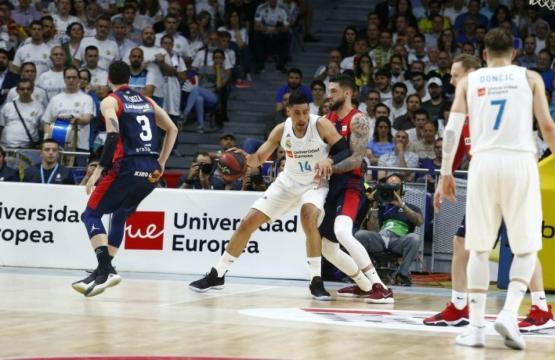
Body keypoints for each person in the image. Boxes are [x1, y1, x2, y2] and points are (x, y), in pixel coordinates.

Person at [439, 28, 555, 350]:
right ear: (513, 53)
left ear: (484, 55)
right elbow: (547, 124)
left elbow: (453, 130)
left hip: (482, 163)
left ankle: (476, 328)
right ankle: (510, 313)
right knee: (526, 248)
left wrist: (445, 173)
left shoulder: (471, 82)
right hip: (520, 163)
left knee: (479, 248)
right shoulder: (530, 77)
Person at [188, 91, 348, 300]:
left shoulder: (320, 125)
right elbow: (259, 158)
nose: (301, 118)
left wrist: (330, 160)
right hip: (287, 183)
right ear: (288, 111)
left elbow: (344, 149)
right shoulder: (281, 130)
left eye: (305, 113)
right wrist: (247, 159)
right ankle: (217, 273)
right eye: (297, 113)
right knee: (247, 223)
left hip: (314, 184)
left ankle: (316, 281)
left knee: (308, 217)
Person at [71, 60, 178, 297]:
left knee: (90, 214)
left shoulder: (110, 101)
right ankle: (102, 272)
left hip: (127, 166)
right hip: (150, 169)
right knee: (119, 216)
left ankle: (106, 269)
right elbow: (172, 129)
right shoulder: (147, 101)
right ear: (130, 79)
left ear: (109, 78)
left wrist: (98, 171)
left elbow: (113, 135)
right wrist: (161, 162)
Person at [319, 74, 394, 304]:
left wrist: (328, 166)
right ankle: (363, 285)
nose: (328, 95)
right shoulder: (325, 119)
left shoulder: (358, 120)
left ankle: (380, 286)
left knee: (342, 231)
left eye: (333, 91)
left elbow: (356, 159)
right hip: (329, 185)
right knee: (328, 248)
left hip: (351, 184)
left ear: (347, 93)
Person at [355, 173, 423, 286]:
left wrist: (402, 205)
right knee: (360, 235)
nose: (392, 188)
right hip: (381, 238)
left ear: (402, 188)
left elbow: (419, 221)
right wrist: (375, 205)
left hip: (399, 240)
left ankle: (402, 275)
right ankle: (363, 274)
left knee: (415, 238)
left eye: (395, 185)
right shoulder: (381, 207)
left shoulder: (411, 207)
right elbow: (373, 228)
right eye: (389, 185)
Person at [0, 78, 44, 149]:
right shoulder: (8, 106)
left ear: (32, 90)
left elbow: (43, 129)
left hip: (29, 147)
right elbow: (1, 127)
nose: (25, 91)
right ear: (17, 91)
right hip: (6, 147)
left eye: (28, 89)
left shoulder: (39, 107)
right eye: (22, 89)